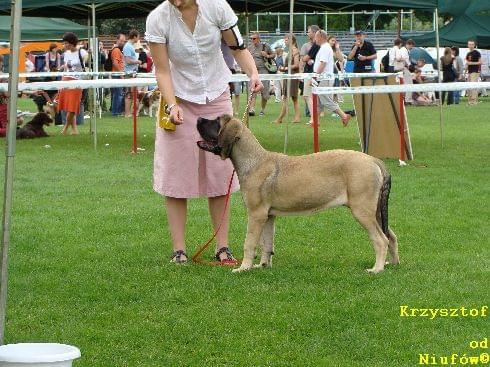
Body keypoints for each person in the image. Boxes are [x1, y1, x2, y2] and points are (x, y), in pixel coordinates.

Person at [145, 0, 262, 264]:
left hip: (216, 95)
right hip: (178, 98)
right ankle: (179, 250)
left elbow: (238, 47)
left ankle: (223, 247)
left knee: (220, 174)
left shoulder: (217, 7)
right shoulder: (158, 19)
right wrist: (172, 104)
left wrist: (252, 72)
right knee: (176, 174)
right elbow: (162, 70)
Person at [313, 30, 351, 126]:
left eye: (316, 37)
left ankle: (344, 116)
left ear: (321, 37)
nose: (315, 39)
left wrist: (315, 76)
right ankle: (315, 121)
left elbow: (323, 63)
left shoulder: (325, 48)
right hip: (324, 78)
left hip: (324, 78)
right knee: (318, 102)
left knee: (326, 100)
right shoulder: (324, 48)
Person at [58, 32, 88, 135]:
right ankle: (75, 130)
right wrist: (61, 82)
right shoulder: (66, 54)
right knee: (68, 106)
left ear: (72, 42)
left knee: (72, 106)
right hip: (66, 79)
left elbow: (87, 63)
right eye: (64, 43)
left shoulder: (82, 52)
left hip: (77, 81)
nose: (65, 45)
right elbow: (66, 68)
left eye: (66, 43)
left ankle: (65, 128)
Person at [272, 35, 301, 124]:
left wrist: (285, 68)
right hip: (289, 75)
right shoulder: (290, 51)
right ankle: (297, 118)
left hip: (292, 76)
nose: (285, 41)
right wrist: (283, 68)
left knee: (286, 98)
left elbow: (296, 65)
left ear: (291, 40)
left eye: (286, 39)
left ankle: (280, 118)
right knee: (293, 99)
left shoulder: (295, 50)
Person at [247, 32, 274, 116]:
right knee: (252, 90)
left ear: (258, 39)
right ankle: (252, 109)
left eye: (254, 38)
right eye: (251, 38)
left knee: (264, 91)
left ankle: (262, 110)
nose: (252, 40)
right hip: (253, 71)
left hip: (264, 70)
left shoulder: (265, 46)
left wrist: (267, 55)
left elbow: (273, 54)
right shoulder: (250, 47)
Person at [300, 25, 320, 119]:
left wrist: (306, 58)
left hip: (311, 73)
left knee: (307, 96)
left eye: (309, 31)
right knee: (309, 96)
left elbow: (305, 58)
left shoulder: (316, 45)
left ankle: (313, 118)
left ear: (314, 32)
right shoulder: (319, 45)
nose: (308, 33)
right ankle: (314, 118)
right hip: (311, 72)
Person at [123, 30, 143, 118]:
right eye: (138, 37)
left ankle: (130, 113)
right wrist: (137, 61)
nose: (139, 39)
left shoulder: (130, 46)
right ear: (134, 37)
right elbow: (128, 61)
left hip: (132, 72)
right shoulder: (128, 46)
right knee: (129, 94)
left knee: (132, 94)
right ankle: (127, 114)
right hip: (129, 73)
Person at [110, 34, 126, 116]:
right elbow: (115, 63)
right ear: (117, 40)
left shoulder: (117, 50)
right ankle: (116, 112)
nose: (122, 42)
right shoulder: (116, 50)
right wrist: (121, 74)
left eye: (124, 41)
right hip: (117, 74)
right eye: (121, 40)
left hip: (117, 74)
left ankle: (116, 111)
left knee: (117, 94)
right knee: (118, 94)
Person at [465, 40, 481, 106]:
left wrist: (471, 63)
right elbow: (467, 63)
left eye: (472, 44)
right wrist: (465, 72)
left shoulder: (477, 53)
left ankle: (474, 101)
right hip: (469, 72)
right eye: (469, 44)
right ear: (468, 45)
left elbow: (480, 62)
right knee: (469, 87)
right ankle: (470, 101)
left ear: (474, 45)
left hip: (475, 71)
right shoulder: (468, 54)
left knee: (473, 86)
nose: (471, 46)